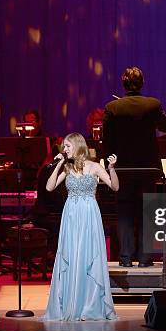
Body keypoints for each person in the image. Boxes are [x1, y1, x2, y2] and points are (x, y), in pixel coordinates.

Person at [43, 133, 118, 321]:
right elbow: (49, 187)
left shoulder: (95, 167)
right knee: (71, 254)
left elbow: (114, 187)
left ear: (77, 145)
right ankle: (71, 303)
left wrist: (111, 169)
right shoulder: (66, 168)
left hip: (89, 214)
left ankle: (90, 306)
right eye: (64, 147)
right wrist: (59, 164)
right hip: (71, 215)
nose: (64, 149)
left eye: (67, 146)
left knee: (88, 254)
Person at [103, 66, 166, 267]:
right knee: (146, 212)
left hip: (123, 168)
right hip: (148, 168)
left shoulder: (113, 108)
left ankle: (125, 258)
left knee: (124, 212)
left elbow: (107, 141)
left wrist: (109, 166)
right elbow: (165, 127)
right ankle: (145, 258)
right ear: (142, 83)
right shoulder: (153, 104)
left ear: (123, 84)